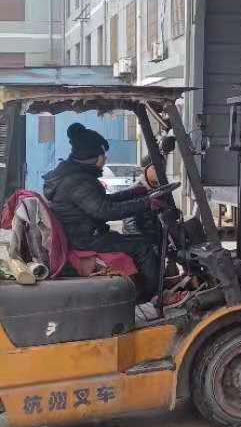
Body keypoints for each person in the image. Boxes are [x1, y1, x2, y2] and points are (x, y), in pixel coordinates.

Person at [42, 122, 162, 297]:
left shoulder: (74, 176)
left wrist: (135, 192)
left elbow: (102, 202)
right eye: (103, 155)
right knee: (144, 246)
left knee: (138, 240)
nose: (105, 159)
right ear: (93, 156)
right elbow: (105, 211)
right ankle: (155, 296)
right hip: (86, 239)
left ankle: (146, 287)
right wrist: (146, 203)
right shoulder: (78, 181)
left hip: (83, 234)